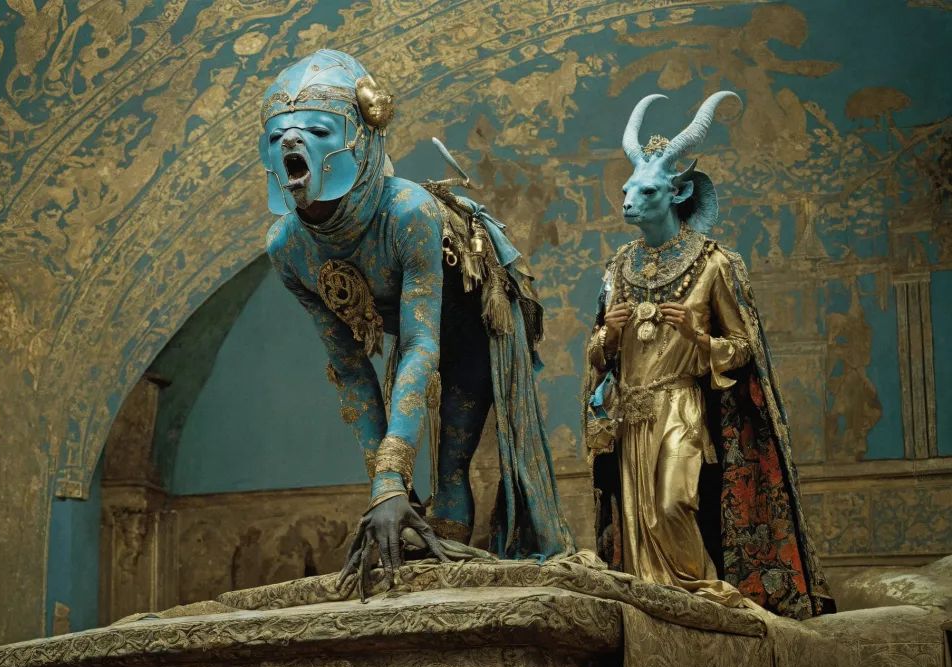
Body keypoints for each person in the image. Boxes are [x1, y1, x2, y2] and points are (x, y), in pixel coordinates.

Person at [261, 50, 573, 593]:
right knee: (405, 489)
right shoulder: (288, 247)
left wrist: (390, 477)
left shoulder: (407, 212)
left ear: (359, 139)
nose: (291, 140)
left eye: (317, 130)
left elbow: (421, 343)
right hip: (414, 334)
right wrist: (386, 489)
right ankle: (418, 554)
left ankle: (447, 574)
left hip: (473, 325)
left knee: (452, 467)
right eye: (278, 135)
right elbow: (350, 368)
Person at [583, 91, 834, 618]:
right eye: (627, 191)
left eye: (645, 192)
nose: (628, 201)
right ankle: (660, 608)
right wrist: (608, 335)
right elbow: (599, 356)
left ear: (677, 192)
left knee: (673, 504)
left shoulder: (715, 264)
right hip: (630, 415)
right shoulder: (619, 267)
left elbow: (744, 348)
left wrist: (699, 338)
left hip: (681, 405)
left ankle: (705, 598)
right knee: (637, 522)